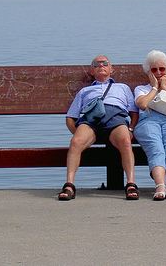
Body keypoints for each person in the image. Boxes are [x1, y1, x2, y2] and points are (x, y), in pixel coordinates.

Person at [58, 55, 139, 201]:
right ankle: (69, 185)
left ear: (111, 69)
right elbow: (71, 117)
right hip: (91, 120)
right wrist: (78, 133)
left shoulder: (122, 88)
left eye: (105, 63)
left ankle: (131, 184)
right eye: (96, 64)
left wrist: (131, 128)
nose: (101, 65)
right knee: (76, 142)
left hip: (115, 117)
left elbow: (134, 112)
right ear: (92, 72)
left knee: (125, 141)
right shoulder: (85, 91)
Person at [133, 50, 166, 201]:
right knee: (156, 149)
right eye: (154, 69)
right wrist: (155, 88)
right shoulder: (141, 89)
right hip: (148, 121)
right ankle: (160, 186)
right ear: (148, 72)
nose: (158, 72)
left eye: (161, 69)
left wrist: (165, 88)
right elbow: (142, 104)